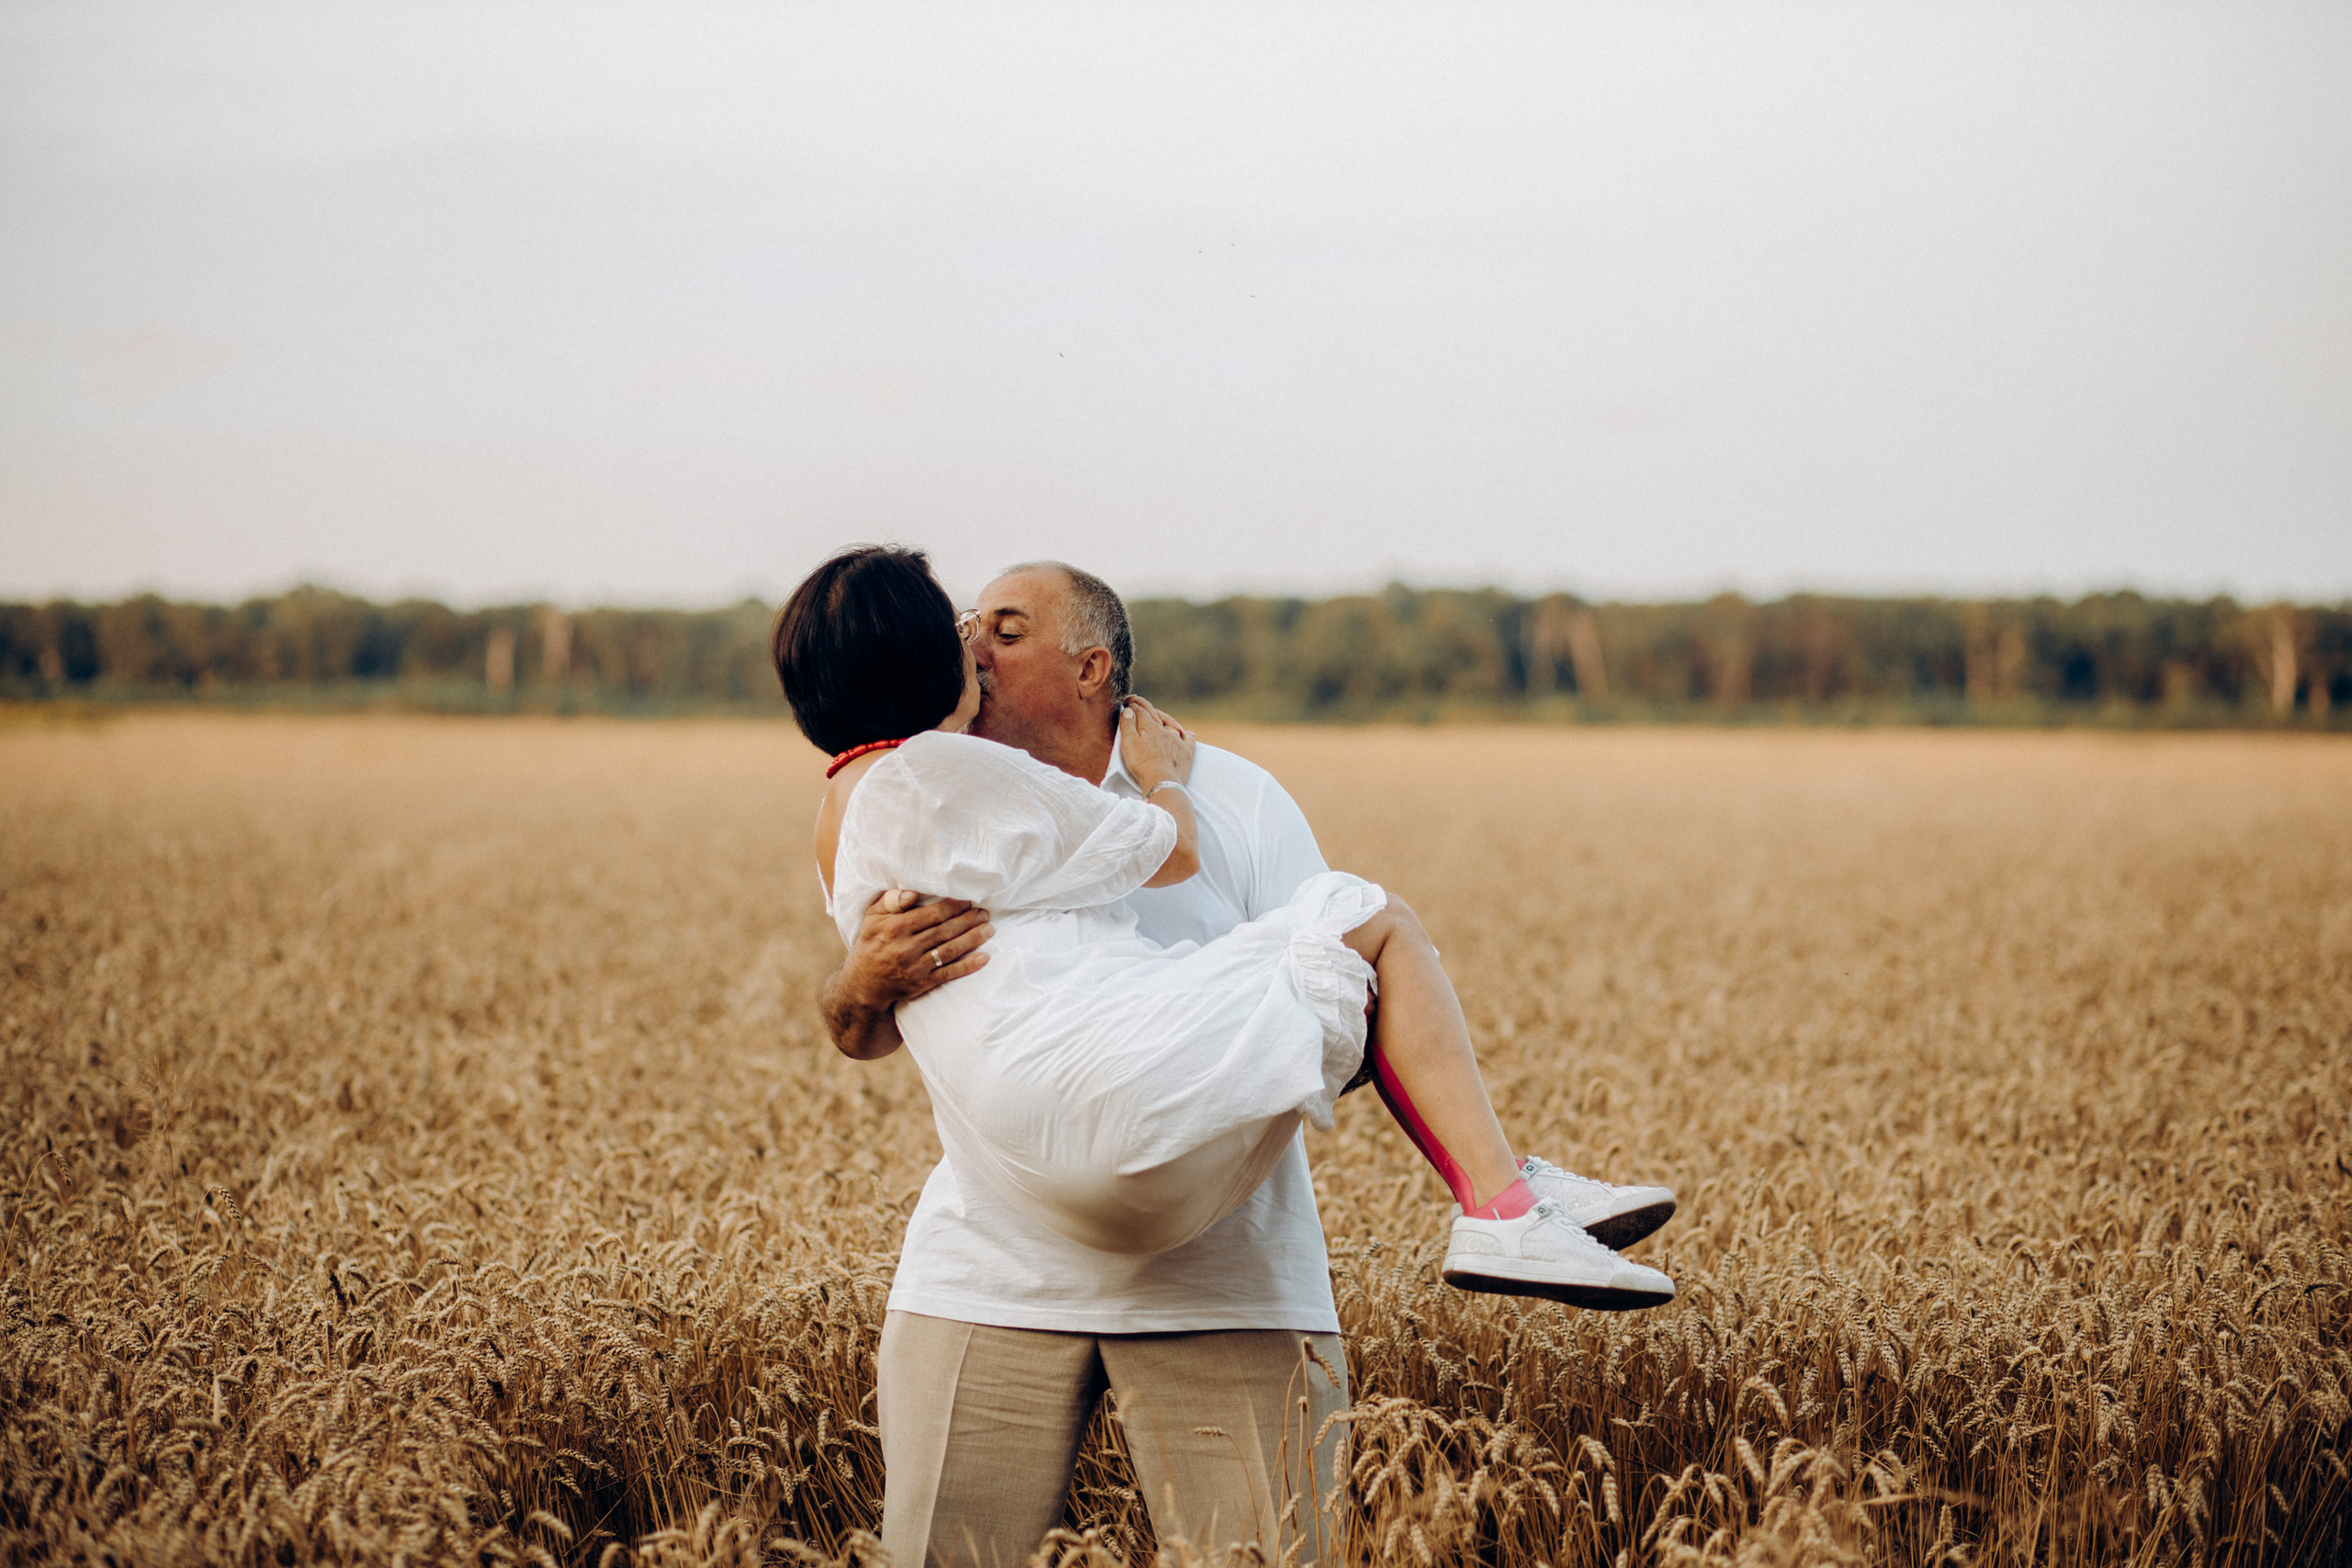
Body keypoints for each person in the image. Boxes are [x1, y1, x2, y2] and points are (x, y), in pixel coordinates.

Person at [785, 548, 1678, 1566]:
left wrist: (1164, 1087)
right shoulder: (931, 787)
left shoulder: (1234, 799)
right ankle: (1506, 1200)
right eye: (963, 625)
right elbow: (869, 1025)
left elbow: (1339, 1027)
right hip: (987, 1276)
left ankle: (1507, 1199)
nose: (972, 644)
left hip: (1225, 1283)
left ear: (1091, 670)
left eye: (1003, 627)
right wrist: (855, 985)